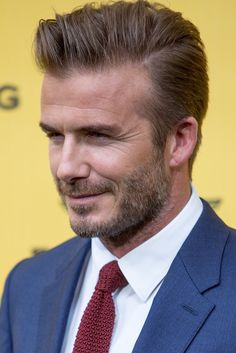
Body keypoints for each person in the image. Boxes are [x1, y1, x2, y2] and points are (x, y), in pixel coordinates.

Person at [1, 1, 236, 352]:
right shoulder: (27, 286)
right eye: (55, 136)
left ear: (179, 141)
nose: (66, 168)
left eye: (98, 136)